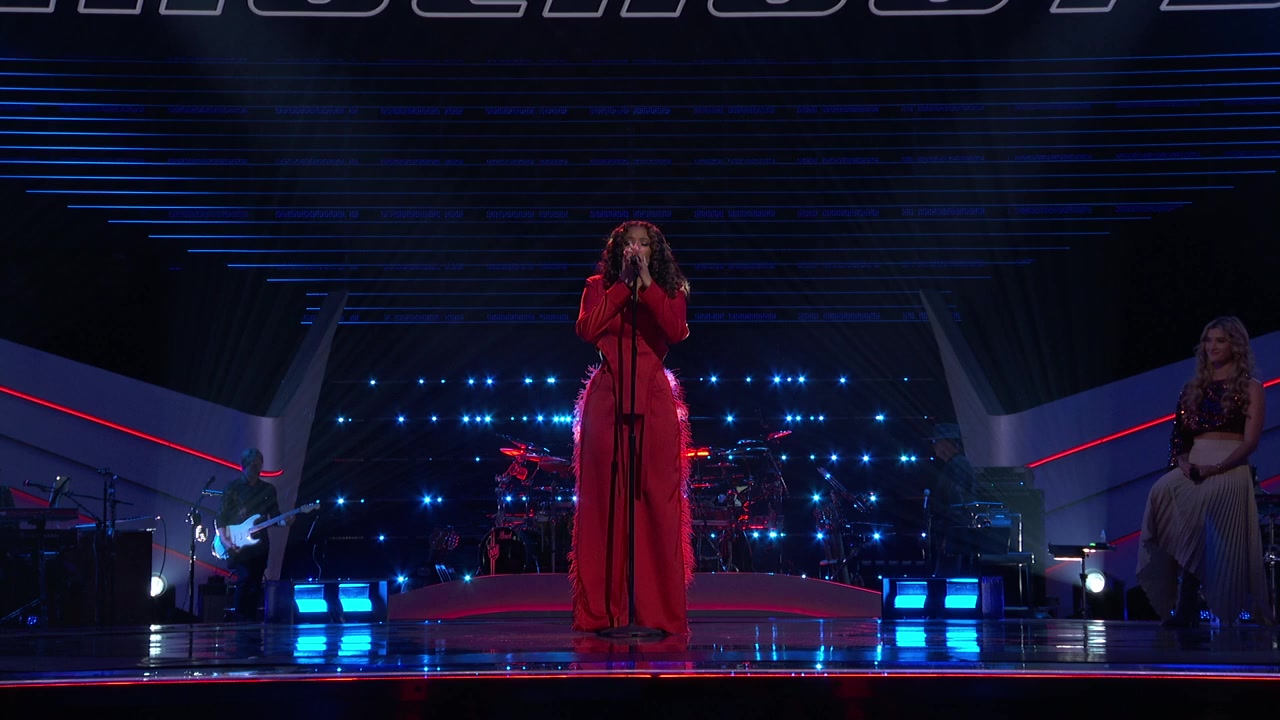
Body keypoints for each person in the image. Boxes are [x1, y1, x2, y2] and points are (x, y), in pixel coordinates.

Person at [569, 220, 693, 636]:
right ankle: (605, 612)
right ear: (617, 251)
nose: (636, 250)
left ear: (654, 252)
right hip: (608, 398)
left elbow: (675, 332)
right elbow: (587, 329)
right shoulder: (597, 286)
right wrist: (623, 287)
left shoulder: (670, 289)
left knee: (656, 500)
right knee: (604, 503)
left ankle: (656, 613)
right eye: (629, 244)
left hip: (653, 399)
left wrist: (648, 287)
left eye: (644, 244)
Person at [1136, 317, 1275, 627]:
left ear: (1235, 345)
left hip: (1230, 466)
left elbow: (1250, 442)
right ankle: (1178, 598)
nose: (1212, 346)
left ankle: (1189, 603)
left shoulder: (1251, 387)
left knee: (1200, 516)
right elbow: (1179, 439)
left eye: (1220, 340)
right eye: (1208, 340)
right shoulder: (1192, 389)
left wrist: (1217, 467)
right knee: (1161, 493)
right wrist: (1185, 464)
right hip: (1196, 465)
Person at [216, 448, 291, 622]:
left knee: (256, 582)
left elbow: (274, 517)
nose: (256, 468)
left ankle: (251, 621)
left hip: (260, 544)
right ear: (244, 466)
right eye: (252, 465)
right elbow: (221, 516)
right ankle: (241, 619)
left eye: (258, 465)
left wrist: (285, 522)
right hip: (237, 541)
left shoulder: (268, 489)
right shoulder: (233, 488)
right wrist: (225, 540)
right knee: (244, 578)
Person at [926, 423, 980, 575]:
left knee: (948, 573)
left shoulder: (958, 465)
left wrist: (949, 536)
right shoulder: (955, 464)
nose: (934, 446)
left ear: (947, 443)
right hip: (954, 533)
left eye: (936, 442)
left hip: (955, 534)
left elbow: (957, 502)